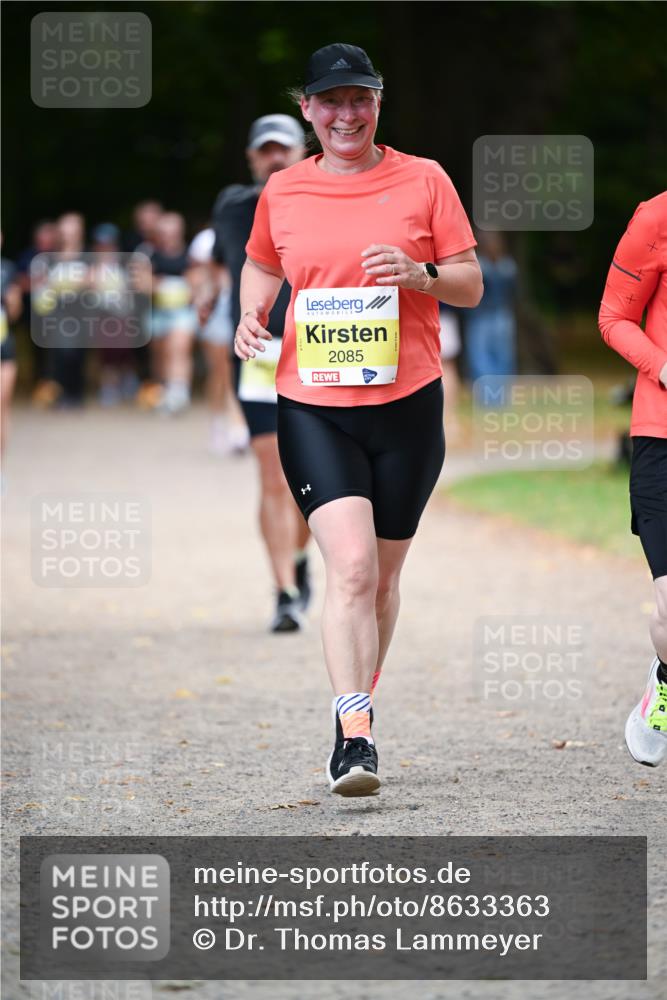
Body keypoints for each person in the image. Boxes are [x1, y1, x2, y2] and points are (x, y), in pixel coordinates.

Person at [235, 44, 482, 795]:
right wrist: (251, 310)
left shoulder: (425, 179)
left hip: (407, 405)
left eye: (359, 98)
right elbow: (262, 263)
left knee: (381, 582)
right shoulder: (284, 188)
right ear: (307, 110)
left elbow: (469, 284)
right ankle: (354, 735)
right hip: (315, 406)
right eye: (330, 101)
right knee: (348, 569)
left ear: (377, 103)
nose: (346, 114)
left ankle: (355, 703)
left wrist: (422, 274)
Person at [212, 114, 313, 631]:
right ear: (252, 158)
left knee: (312, 479)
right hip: (258, 351)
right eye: (265, 151)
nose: (275, 158)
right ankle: (284, 592)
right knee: (273, 475)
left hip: (318, 348)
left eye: (284, 149)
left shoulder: (327, 200)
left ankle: (298, 557)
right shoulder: (234, 206)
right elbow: (217, 262)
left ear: (304, 151)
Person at [599, 191, 667, 767]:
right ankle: (666, 679)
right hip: (661, 435)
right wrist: (662, 365)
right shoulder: (656, 216)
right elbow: (613, 317)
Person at [464, 230, 517, 383]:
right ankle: (495, 393)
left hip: (483, 316)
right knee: (500, 356)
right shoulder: (508, 265)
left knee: (483, 356)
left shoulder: (481, 267)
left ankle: (490, 393)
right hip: (501, 315)